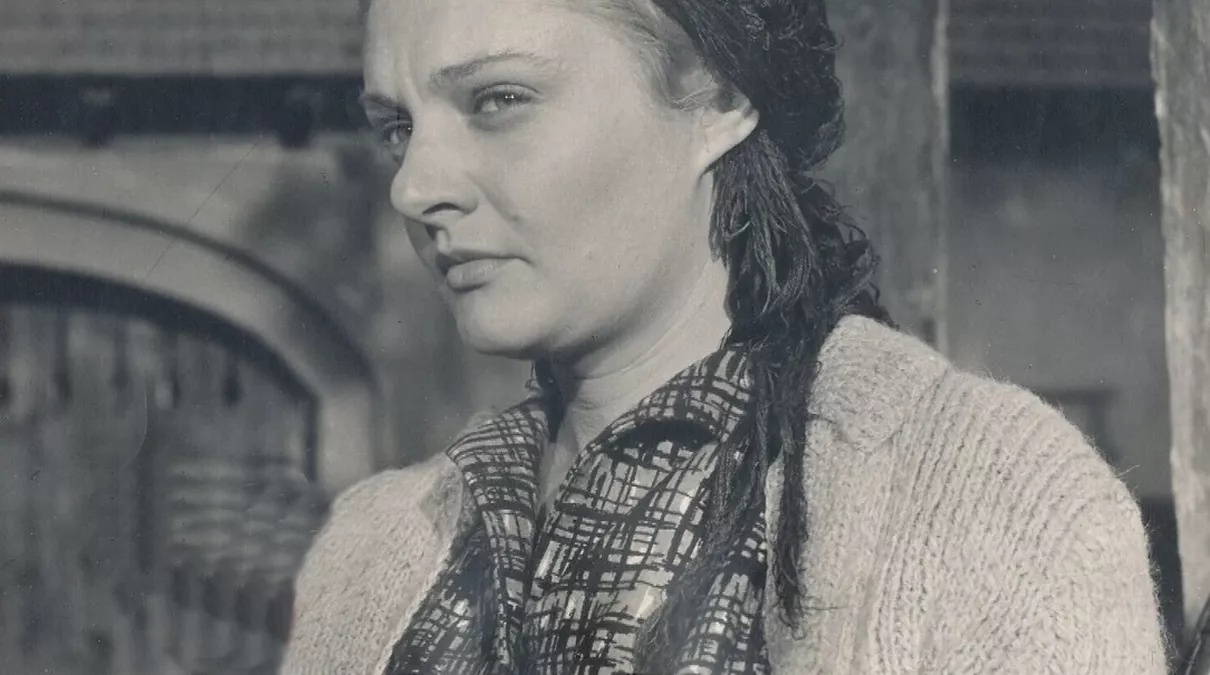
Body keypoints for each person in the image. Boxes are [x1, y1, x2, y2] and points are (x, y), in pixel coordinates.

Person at [280, 0, 1168, 672]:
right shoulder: (369, 552)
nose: (413, 186)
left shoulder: (995, 504)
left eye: (497, 99)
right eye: (397, 128)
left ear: (717, 94)